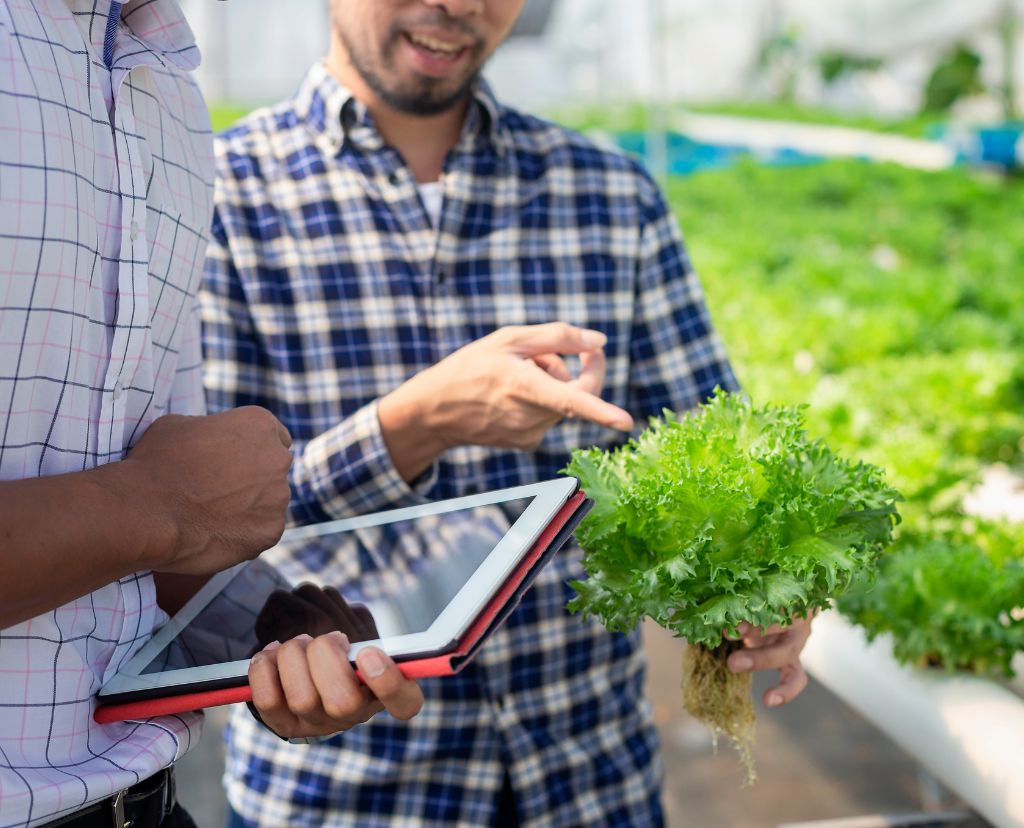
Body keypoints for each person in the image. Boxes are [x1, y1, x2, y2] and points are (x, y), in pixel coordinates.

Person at [200, 0, 814, 824]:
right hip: (345, 795)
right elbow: (198, 533)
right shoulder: (221, 197)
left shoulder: (607, 193)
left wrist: (757, 588)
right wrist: (417, 423)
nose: (457, 5)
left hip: (591, 779)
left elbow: (712, 458)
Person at [0, 3, 422, 827]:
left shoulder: (166, 85)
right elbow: (168, 497)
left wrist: (267, 629)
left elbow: (152, 491)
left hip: (142, 804)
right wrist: (165, 506)